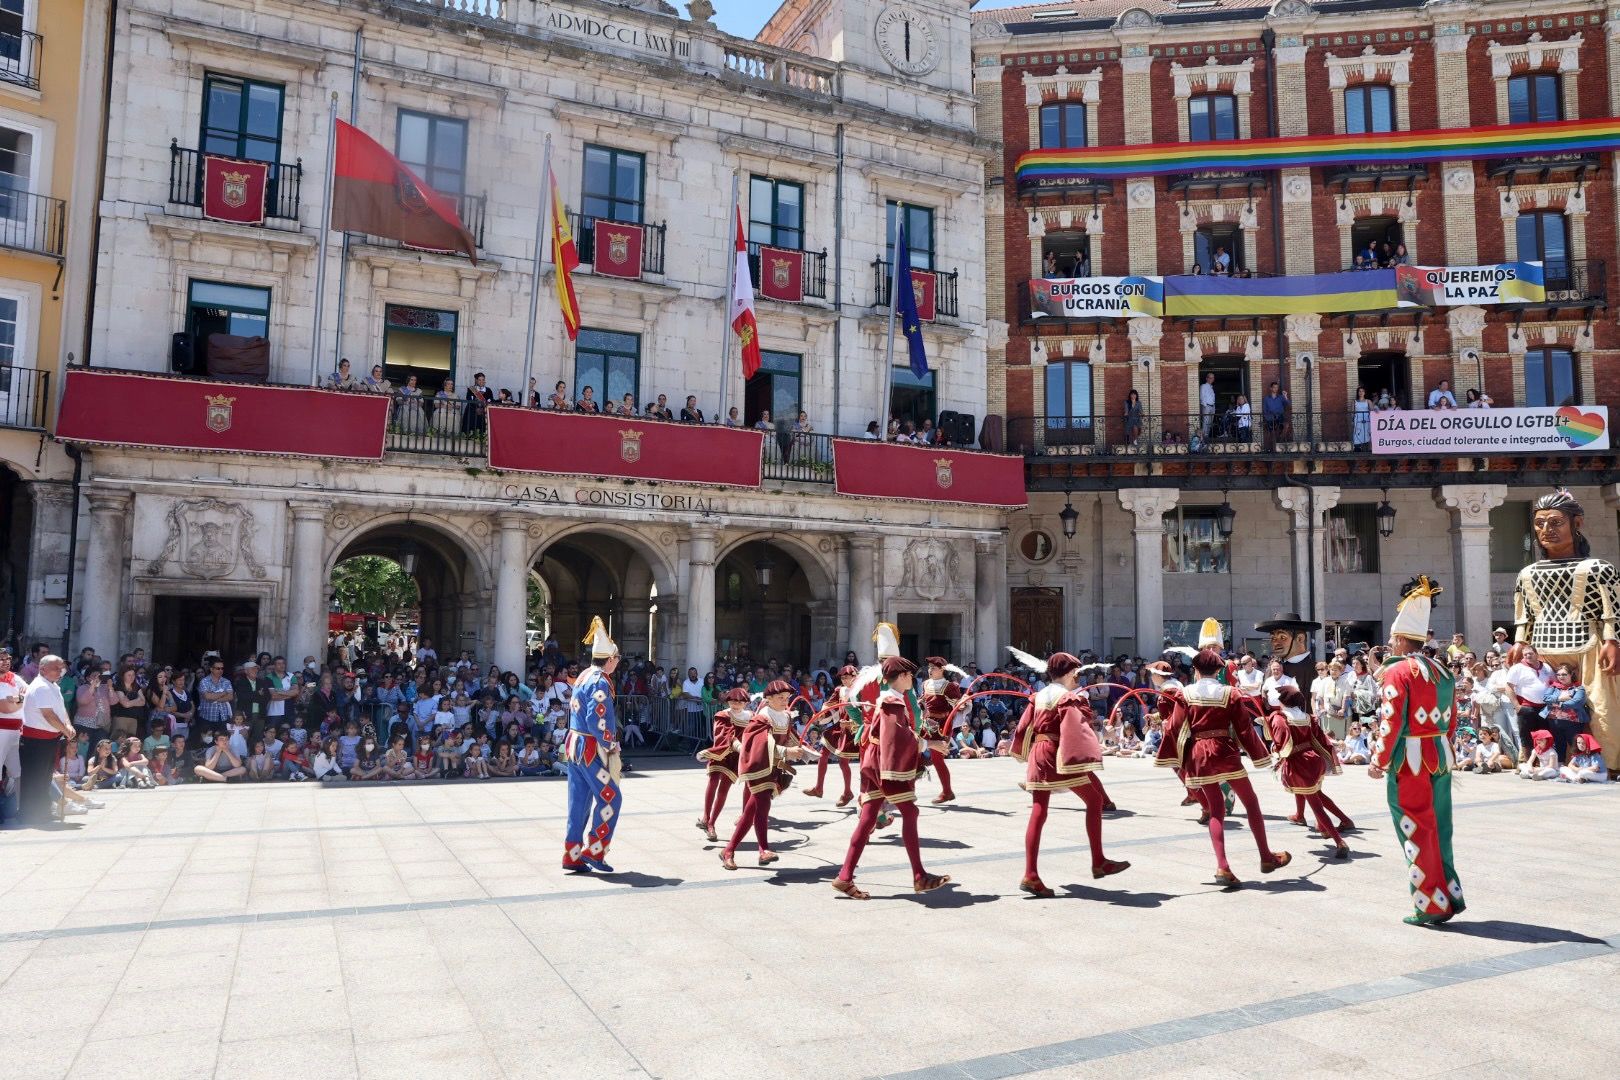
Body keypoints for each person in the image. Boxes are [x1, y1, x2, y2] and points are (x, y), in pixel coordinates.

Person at [1370, 576, 1465, 926]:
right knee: (1441, 827)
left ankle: (1431, 905)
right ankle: (1449, 894)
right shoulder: (1442, 670)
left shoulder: (1398, 673)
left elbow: (1391, 721)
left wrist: (1379, 760)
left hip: (1409, 762)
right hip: (1439, 756)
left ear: (1397, 639)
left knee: (1415, 828)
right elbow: (1452, 720)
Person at [1155, 648, 1290, 888]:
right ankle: (1266, 857)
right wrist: (1259, 754)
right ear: (1219, 671)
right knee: (1251, 802)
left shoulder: (1185, 693)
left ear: (1195, 670)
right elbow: (1244, 729)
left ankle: (1223, 866)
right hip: (1224, 751)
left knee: (1216, 808)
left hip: (1199, 753)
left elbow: (1175, 727)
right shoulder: (1230, 693)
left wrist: (1173, 756)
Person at [829, 656, 952, 899]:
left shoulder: (890, 699)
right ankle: (919, 876)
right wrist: (932, 743)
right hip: (883, 766)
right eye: (909, 675)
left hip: (874, 762)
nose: (912, 679)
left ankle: (845, 877)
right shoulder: (892, 701)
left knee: (867, 820)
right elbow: (898, 736)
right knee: (909, 812)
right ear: (903, 677)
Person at [1011, 651, 1130, 897]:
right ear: (1067, 672)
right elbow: (1076, 728)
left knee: (1039, 811)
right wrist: (1100, 738)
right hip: (1056, 752)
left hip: (1038, 751)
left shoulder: (1039, 695)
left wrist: (1022, 752)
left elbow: (1024, 727)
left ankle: (1030, 874)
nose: (1077, 675)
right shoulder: (1066, 697)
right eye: (1075, 671)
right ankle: (1098, 860)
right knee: (1095, 800)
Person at [563, 617, 622, 873]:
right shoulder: (599, 681)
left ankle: (572, 856)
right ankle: (594, 851)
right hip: (590, 750)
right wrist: (610, 744)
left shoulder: (585, 674)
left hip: (575, 745)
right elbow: (596, 718)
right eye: (617, 659)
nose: (617, 663)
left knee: (579, 803)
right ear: (610, 659)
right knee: (611, 799)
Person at [1265, 687, 1349, 859]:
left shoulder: (1280, 718)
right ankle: (1305, 818)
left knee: (1316, 803)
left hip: (1300, 763)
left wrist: (1276, 749)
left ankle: (1339, 841)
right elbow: (1317, 736)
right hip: (1313, 759)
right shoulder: (1307, 717)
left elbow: (1281, 740)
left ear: (1284, 701)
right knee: (1313, 794)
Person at [718, 681, 793, 870]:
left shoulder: (785, 717)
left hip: (773, 769)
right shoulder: (762, 717)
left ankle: (728, 850)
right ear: (768, 699)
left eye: (787, 698)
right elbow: (761, 746)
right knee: (762, 808)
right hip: (758, 768)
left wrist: (805, 751)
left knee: (750, 812)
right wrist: (787, 752)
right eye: (780, 698)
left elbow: (790, 738)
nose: (785, 701)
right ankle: (763, 850)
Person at [18, 655, 74, 826]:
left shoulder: (53, 686)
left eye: (61, 668)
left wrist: (68, 725)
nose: (60, 671)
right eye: (56, 668)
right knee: (34, 777)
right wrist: (65, 730)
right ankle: (29, 814)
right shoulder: (41, 687)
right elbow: (48, 714)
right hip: (35, 740)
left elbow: (61, 710)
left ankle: (43, 811)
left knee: (45, 777)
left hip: (49, 739)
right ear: (43, 669)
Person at [803, 666, 860, 806]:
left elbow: (867, 711)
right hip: (839, 728)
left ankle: (848, 792)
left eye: (848, 677)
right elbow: (829, 706)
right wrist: (821, 715)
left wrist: (852, 723)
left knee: (843, 762)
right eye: (842, 677)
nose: (845, 679)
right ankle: (819, 788)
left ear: (855, 676)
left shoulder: (862, 690)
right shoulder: (839, 690)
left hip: (856, 730)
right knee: (823, 753)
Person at [696, 687, 748, 842]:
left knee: (724, 790)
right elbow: (723, 734)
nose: (736, 704)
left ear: (745, 703)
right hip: (721, 753)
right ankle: (706, 816)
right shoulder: (722, 715)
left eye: (740, 701)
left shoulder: (751, 717)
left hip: (735, 758)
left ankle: (711, 823)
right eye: (733, 701)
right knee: (712, 783)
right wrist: (736, 743)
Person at [918, 656, 965, 804]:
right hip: (926, 723)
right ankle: (907, 789)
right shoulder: (925, 684)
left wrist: (963, 703)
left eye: (934, 668)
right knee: (914, 751)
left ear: (942, 670)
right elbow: (922, 700)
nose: (930, 670)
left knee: (938, 759)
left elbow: (957, 706)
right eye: (929, 668)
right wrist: (919, 703)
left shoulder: (950, 686)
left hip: (941, 725)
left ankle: (947, 791)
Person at [0, 647, 24, 827]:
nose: (6, 661)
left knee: (17, 772)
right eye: (1, 659)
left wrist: (15, 698)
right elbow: (5, 708)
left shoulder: (15, 678)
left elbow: (28, 695)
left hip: (16, 732)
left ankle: (16, 810)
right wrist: (18, 700)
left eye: (7, 658)